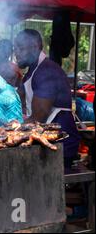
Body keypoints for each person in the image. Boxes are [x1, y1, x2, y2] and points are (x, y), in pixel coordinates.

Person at [14, 29, 80, 167]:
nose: (16, 53)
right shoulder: (33, 71)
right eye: (15, 48)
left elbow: (39, 118)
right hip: (49, 143)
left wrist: (11, 131)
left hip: (61, 145)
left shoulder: (46, 71)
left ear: (35, 47)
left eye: (20, 48)